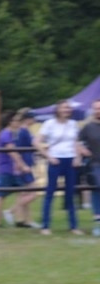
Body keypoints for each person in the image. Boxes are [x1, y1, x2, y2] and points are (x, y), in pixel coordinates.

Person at [36, 100, 83, 236]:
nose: (66, 110)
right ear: (57, 109)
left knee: (70, 193)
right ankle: (45, 225)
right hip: (56, 160)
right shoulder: (49, 124)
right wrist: (48, 157)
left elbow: (76, 142)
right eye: (63, 107)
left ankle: (73, 225)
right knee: (50, 193)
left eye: (68, 108)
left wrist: (78, 157)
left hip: (70, 160)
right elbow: (37, 142)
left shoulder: (73, 124)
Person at [0, 110, 32, 228]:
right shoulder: (5, 134)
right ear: (10, 122)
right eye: (16, 120)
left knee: (23, 192)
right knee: (1, 196)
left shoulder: (12, 134)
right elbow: (12, 152)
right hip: (6, 169)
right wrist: (23, 165)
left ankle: (21, 220)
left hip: (14, 170)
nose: (18, 123)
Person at [78, 100, 100, 237]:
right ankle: (97, 220)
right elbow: (77, 141)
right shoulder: (88, 127)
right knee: (97, 189)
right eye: (96, 109)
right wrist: (82, 149)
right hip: (95, 163)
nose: (98, 111)